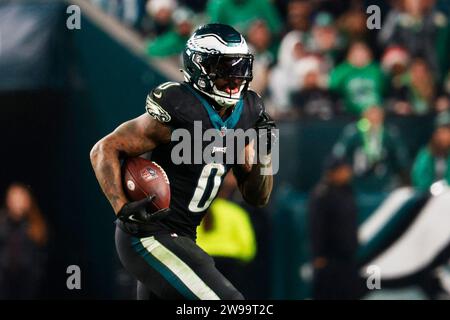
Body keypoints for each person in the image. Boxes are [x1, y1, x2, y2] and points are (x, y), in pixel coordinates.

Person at [90, 23, 276, 300]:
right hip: (149, 235)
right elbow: (104, 149)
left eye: (240, 67)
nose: (235, 77)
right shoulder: (180, 107)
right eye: (225, 67)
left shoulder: (248, 111)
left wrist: (264, 153)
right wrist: (121, 207)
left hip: (184, 235)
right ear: (200, 67)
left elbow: (257, 196)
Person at [308, 156, 360, 300]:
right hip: (329, 260)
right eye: (343, 170)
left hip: (347, 258)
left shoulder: (348, 192)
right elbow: (316, 226)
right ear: (332, 172)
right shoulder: (321, 195)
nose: (347, 172)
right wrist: (318, 255)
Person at [332, 106, 410, 192]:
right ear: (363, 116)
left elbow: (402, 158)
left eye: (377, 114)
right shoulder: (353, 132)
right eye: (370, 114)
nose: (374, 118)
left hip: (384, 181)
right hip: (357, 181)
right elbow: (338, 154)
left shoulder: (389, 133)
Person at [0, 183, 48, 299]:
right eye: (14, 197)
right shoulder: (2, 224)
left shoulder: (37, 228)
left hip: (28, 288)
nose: (17, 201)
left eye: (21, 197)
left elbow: (42, 258)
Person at [411, 111, 450, 190]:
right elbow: (419, 177)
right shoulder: (426, 153)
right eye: (442, 131)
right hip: (429, 196)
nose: (445, 135)